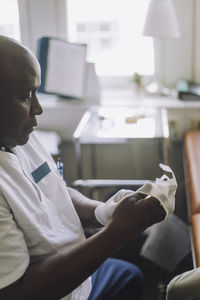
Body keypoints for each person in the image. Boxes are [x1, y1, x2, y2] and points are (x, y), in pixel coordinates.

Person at [0, 35, 165, 300]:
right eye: (25, 96)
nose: (38, 109)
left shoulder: (18, 136)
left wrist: (103, 211)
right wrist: (116, 232)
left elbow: (56, 190)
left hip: (77, 274)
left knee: (130, 276)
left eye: (36, 92)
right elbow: (17, 293)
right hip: (53, 289)